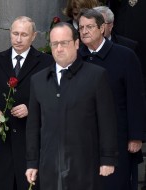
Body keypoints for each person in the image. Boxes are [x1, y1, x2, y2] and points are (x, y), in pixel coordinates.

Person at [25, 22, 118, 190]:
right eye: (55, 44)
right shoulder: (38, 80)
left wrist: (108, 158)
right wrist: (32, 162)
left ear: (76, 44)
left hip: (85, 164)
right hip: (50, 166)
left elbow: (107, 121)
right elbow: (33, 126)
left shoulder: (96, 76)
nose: (59, 48)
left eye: (64, 43)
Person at [0, 16, 53, 190]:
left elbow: (53, 98)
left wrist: (31, 109)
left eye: (24, 35)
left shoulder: (46, 62)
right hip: (5, 142)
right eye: (15, 33)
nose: (18, 39)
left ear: (33, 36)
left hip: (32, 141)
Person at [78, 9, 146, 190]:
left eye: (89, 27)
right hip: (83, 137)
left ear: (102, 28)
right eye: (81, 27)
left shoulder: (125, 56)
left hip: (118, 136)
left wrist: (136, 136)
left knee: (115, 183)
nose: (84, 31)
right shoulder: (75, 57)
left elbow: (136, 98)